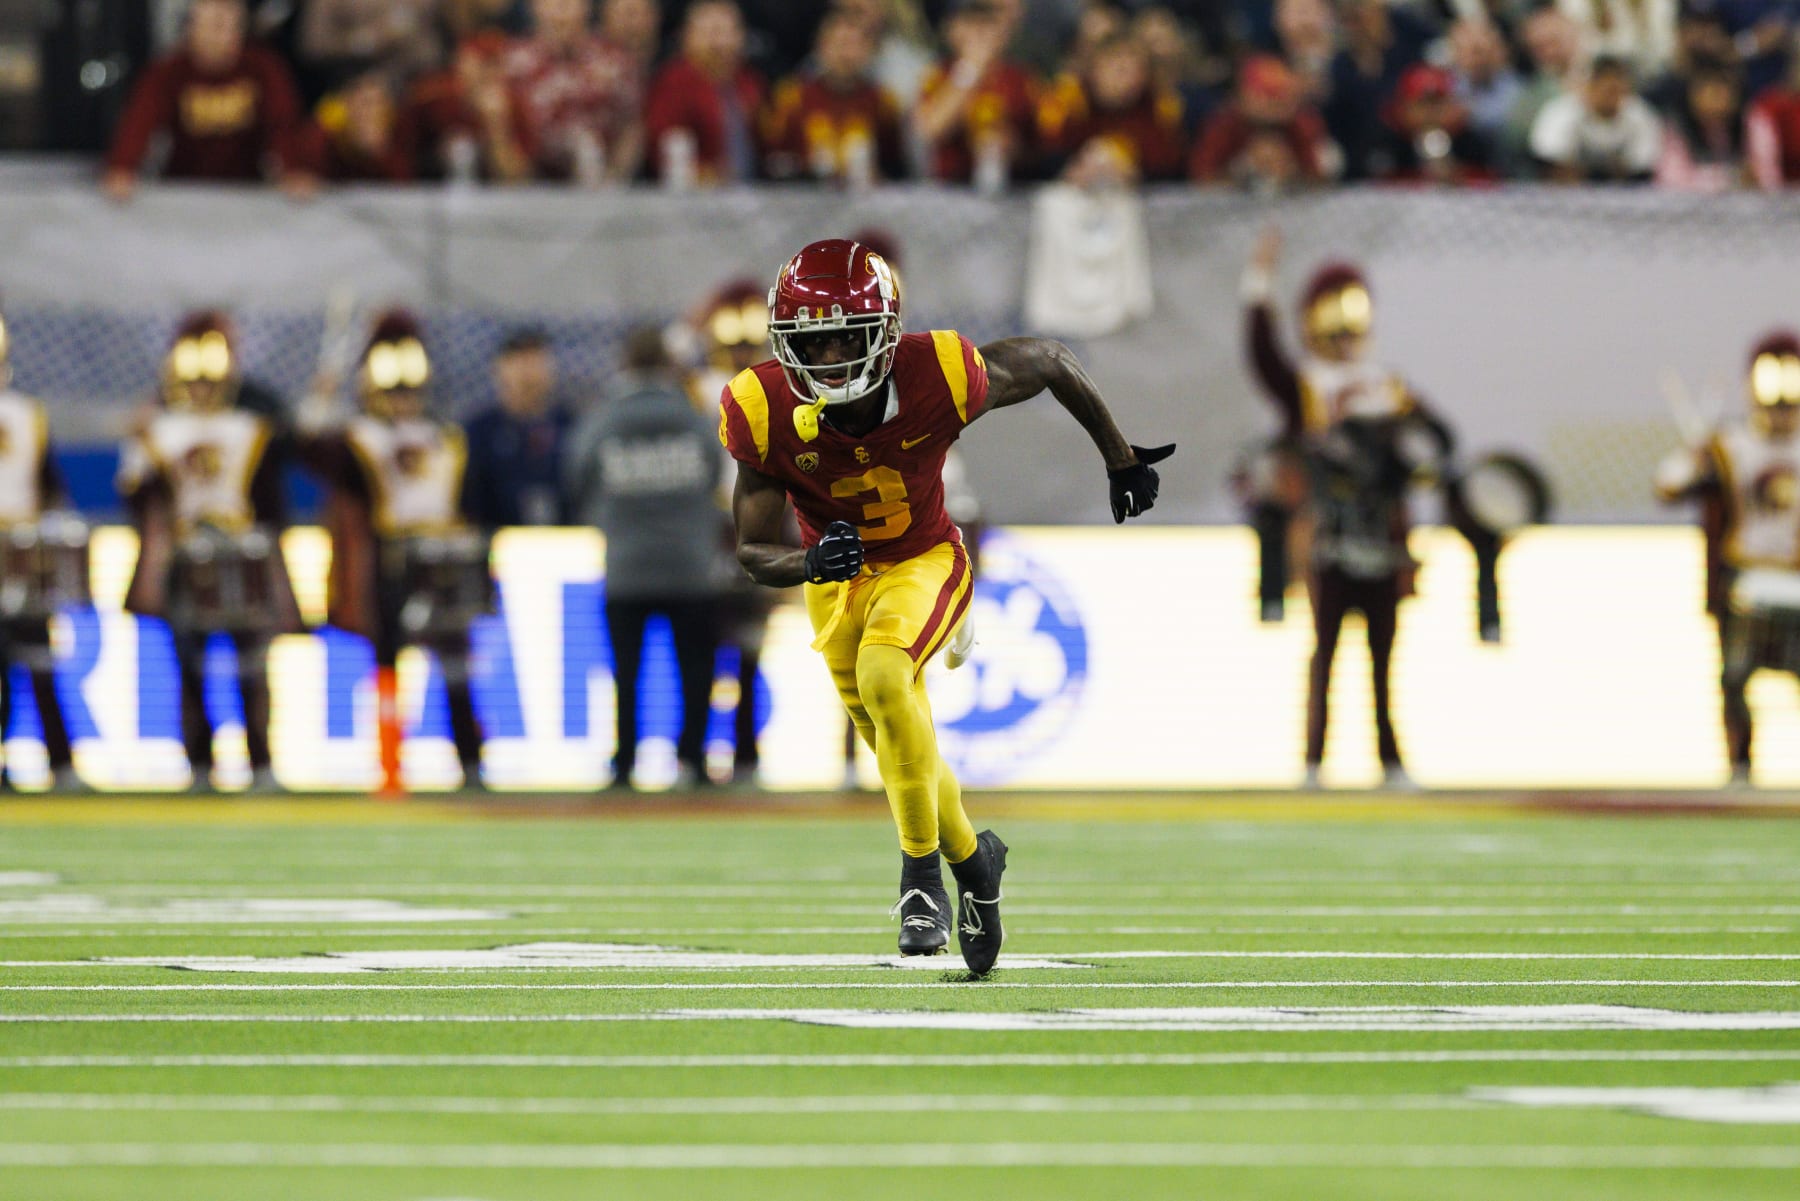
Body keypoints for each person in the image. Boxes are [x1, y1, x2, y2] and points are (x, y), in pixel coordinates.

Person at [719, 237, 1173, 974]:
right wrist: (808, 561)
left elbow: (1052, 360)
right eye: (814, 341)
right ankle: (974, 863)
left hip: (925, 556)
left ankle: (920, 880)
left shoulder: (939, 371)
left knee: (886, 676)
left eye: (846, 338)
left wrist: (1120, 456)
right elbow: (749, 551)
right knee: (906, 750)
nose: (831, 358)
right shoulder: (761, 404)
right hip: (836, 582)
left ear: (885, 335)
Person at [1243, 228, 1453, 791]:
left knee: (1385, 657)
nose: (1344, 344)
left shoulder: (1389, 385)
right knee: (1328, 652)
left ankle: (1390, 758)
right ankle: (1315, 760)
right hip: (1330, 531)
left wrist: (1412, 462)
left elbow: (1438, 440)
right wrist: (1259, 286)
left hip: (1385, 531)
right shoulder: (1309, 385)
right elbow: (1265, 360)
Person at [299, 310, 489, 791]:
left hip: (444, 556)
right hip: (393, 558)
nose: (402, 403)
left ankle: (470, 761)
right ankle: (390, 764)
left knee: (456, 663)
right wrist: (321, 398)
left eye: (408, 393)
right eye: (392, 392)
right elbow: (308, 451)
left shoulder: (445, 436)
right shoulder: (359, 437)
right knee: (387, 659)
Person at [117, 311, 301, 792]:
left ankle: (260, 761)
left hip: (240, 553)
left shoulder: (250, 426)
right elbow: (138, 497)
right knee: (190, 662)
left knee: (252, 665)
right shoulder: (159, 429)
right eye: (192, 382)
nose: (200, 391)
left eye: (208, 382)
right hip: (186, 555)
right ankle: (199, 763)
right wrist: (135, 448)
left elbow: (273, 486)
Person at [565, 326, 728, 791]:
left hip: (626, 565)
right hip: (691, 566)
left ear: (625, 365)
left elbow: (577, 473)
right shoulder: (691, 416)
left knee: (626, 672)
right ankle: (693, 760)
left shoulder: (605, 420)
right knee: (695, 670)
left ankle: (625, 763)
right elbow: (717, 467)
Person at [1656, 330, 1800, 784]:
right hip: (1746, 576)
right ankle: (1740, 764)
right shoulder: (1731, 445)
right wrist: (1694, 457)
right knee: (1736, 676)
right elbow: (1668, 486)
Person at [104, 0, 316, 200]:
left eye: (229, 27)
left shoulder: (264, 68)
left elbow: (283, 124)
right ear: (192, 29)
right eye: (212, 27)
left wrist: (293, 170)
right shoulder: (168, 72)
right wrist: (123, 166)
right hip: (183, 189)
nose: (221, 37)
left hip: (245, 190)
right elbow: (139, 121)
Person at [0, 312, 78, 792]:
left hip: (21, 552)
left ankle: (62, 763)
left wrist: (52, 526)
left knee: (40, 661)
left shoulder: (28, 413)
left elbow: (50, 486)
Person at [503, 0, 645, 183]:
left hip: (601, 182)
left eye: (570, 4)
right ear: (535, 7)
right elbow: (503, 127)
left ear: (587, 7)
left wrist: (615, 176)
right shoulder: (514, 63)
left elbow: (633, 125)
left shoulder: (614, 60)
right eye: (553, 4)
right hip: (531, 183)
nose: (562, 14)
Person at [760, 11, 907, 183]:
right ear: (821, 47)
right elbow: (769, 160)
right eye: (840, 44)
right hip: (805, 200)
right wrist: (805, 171)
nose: (846, 54)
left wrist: (880, 177)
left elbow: (897, 165)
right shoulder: (791, 98)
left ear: (870, 50)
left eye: (856, 45)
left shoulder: (883, 102)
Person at [913, 0, 1040, 186]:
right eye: (972, 25)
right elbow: (929, 129)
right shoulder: (939, 75)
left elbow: (1039, 146)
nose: (981, 35)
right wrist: (971, 70)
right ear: (953, 31)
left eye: (988, 25)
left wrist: (1012, 147)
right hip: (952, 188)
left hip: (1009, 189)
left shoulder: (1021, 79)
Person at [1037, 30, 1188, 183]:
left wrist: (1136, 175)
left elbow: (1173, 166)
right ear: (1095, 68)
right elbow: (1042, 156)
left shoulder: (1159, 105)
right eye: (1120, 69)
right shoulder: (1068, 98)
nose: (1130, 78)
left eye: (1137, 69)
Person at [643, 0, 765, 184]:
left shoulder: (749, 81)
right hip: (698, 197)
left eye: (727, 32)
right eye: (711, 33)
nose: (719, 43)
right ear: (688, 37)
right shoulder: (674, 83)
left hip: (753, 190)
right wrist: (706, 175)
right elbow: (663, 149)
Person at [462, 328, 572, 528]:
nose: (528, 372)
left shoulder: (572, 427)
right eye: (520, 361)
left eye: (536, 361)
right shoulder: (480, 431)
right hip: (497, 544)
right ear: (500, 369)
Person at [1529, 54, 1663, 182]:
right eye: (1602, 86)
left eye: (1614, 89)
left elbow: (1641, 172)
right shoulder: (1560, 113)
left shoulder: (1641, 116)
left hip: (1624, 196)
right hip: (1567, 196)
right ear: (1587, 86)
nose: (1608, 96)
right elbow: (1551, 166)